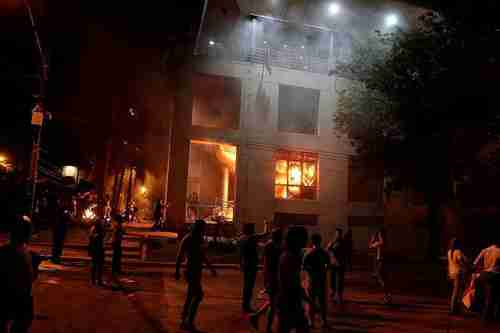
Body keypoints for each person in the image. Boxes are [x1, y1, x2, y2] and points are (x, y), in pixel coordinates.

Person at [0, 216, 44, 333]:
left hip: (18, 298)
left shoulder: (23, 252)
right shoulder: (14, 252)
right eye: (28, 232)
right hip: (16, 297)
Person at [175, 219, 217, 332]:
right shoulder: (189, 238)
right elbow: (180, 255)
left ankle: (184, 320)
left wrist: (211, 268)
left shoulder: (198, 238)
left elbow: (202, 255)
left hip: (196, 270)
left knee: (191, 295)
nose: (204, 230)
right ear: (199, 228)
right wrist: (177, 270)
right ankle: (189, 322)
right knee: (198, 295)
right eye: (203, 228)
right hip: (190, 270)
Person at [277, 226, 310, 333]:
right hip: (290, 302)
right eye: (304, 237)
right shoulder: (291, 257)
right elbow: (293, 283)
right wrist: (308, 300)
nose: (307, 240)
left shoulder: (289, 255)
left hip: (288, 301)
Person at [249, 228, 283, 333]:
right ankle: (266, 326)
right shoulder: (273, 246)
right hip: (273, 277)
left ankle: (256, 317)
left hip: (271, 277)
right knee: (274, 303)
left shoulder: (271, 245)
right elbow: (272, 263)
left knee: (274, 302)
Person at [240, 223, 269, 313]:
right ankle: (246, 306)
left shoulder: (242, 238)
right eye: (252, 228)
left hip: (245, 264)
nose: (254, 230)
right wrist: (266, 224)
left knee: (247, 286)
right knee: (249, 286)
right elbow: (265, 234)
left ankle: (245, 305)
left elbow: (240, 254)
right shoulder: (251, 238)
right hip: (251, 264)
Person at [303, 234, 330, 328]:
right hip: (321, 279)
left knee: (311, 300)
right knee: (322, 301)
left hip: (312, 280)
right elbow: (328, 264)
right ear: (320, 241)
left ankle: (311, 322)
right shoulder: (324, 252)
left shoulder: (309, 253)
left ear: (312, 241)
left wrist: (311, 271)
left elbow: (304, 266)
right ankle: (324, 321)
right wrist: (323, 270)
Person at [473, 239, 500, 322]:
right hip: (495, 275)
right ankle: (489, 316)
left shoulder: (484, 250)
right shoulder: (499, 251)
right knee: (494, 297)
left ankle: (484, 314)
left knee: (485, 296)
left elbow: (475, 263)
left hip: (484, 275)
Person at [369, 227, 392, 304]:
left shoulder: (380, 243)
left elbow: (370, 246)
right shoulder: (385, 242)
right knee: (383, 278)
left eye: (379, 235)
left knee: (380, 278)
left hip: (381, 262)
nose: (379, 236)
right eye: (379, 235)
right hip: (383, 261)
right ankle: (387, 295)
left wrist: (372, 239)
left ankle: (387, 295)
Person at [447, 238, 468, 314]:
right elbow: (461, 260)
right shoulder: (458, 252)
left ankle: (453, 308)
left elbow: (450, 264)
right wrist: (464, 264)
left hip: (452, 273)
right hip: (458, 273)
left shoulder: (449, 252)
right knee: (457, 292)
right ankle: (453, 309)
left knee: (455, 291)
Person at [328, 228, 346, 304]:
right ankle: (333, 292)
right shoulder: (333, 241)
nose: (337, 235)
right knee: (332, 278)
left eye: (338, 233)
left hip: (340, 263)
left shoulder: (343, 242)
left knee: (340, 280)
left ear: (341, 234)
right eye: (336, 233)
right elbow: (328, 249)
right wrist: (330, 244)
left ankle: (339, 295)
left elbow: (345, 253)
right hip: (333, 263)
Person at [88, 219, 106, 286]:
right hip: (97, 249)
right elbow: (92, 238)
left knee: (98, 265)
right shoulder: (96, 230)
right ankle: (95, 280)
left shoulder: (95, 229)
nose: (102, 224)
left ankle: (97, 280)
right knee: (96, 265)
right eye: (101, 223)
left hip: (98, 249)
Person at [111, 215, 126, 285]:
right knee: (116, 256)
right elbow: (121, 232)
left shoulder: (117, 225)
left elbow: (123, 232)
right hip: (116, 242)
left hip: (117, 242)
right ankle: (115, 270)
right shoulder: (117, 225)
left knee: (118, 255)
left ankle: (117, 269)